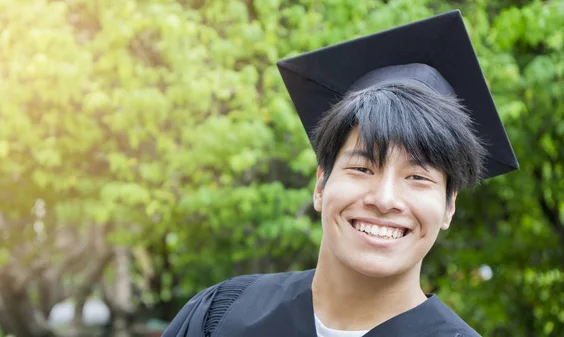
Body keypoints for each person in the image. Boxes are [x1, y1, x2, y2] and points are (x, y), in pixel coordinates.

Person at [162, 10, 518, 337]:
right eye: (362, 168)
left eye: (418, 177)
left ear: (449, 206)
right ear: (321, 183)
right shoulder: (224, 316)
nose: (384, 199)